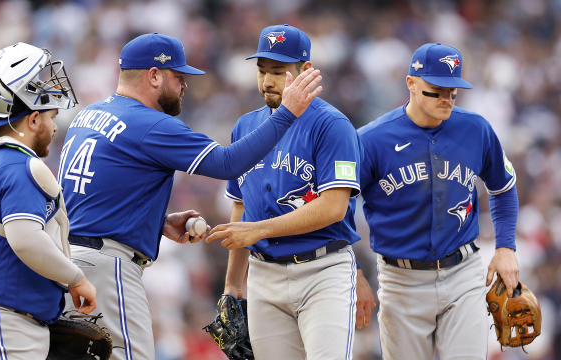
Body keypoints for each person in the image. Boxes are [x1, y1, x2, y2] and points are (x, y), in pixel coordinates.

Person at [58, 32, 322, 360]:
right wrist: (287, 113)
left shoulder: (87, 115)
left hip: (66, 262)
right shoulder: (149, 123)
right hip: (106, 270)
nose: (185, 85)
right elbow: (228, 163)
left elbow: (92, 197)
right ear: (154, 76)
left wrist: (156, 223)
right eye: (178, 77)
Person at [206, 24, 373, 360]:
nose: (268, 80)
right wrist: (232, 286)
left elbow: (333, 208)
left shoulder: (332, 125)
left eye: (279, 71)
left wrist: (258, 230)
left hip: (322, 272)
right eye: (262, 70)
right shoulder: (245, 126)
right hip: (264, 275)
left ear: (305, 71)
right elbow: (241, 209)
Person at [357, 42, 520, 359]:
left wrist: (505, 247)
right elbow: (338, 208)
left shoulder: (475, 129)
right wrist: (354, 271)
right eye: (437, 89)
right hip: (400, 280)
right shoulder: (371, 140)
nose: (447, 98)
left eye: (453, 90)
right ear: (411, 84)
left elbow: (504, 187)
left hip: (463, 275)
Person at [0, 42, 97, 359]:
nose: (55, 127)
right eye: (52, 115)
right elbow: (25, 240)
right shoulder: (17, 164)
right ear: (34, 119)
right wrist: (76, 279)